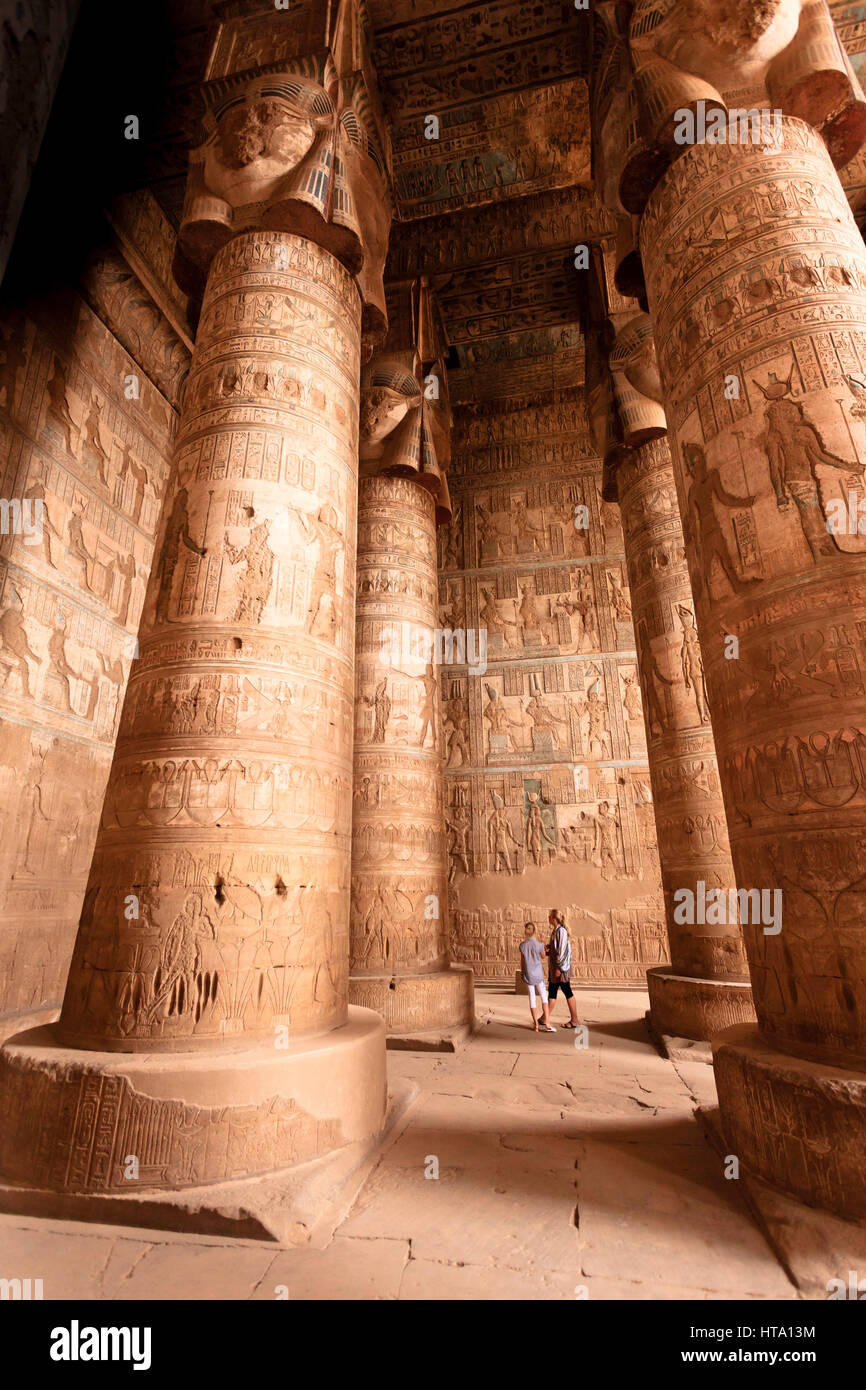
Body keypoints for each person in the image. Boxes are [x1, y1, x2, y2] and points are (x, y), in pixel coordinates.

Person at [519, 923, 556, 1033]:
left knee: (532, 998)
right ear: (535, 931)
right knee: (544, 997)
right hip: (538, 974)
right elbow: (543, 956)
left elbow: (522, 962)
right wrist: (543, 942)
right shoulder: (539, 945)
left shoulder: (522, 945)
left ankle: (535, 1024)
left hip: (528, 974)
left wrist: (523, 973)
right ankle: (548, 1023)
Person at [546, 909, 579, 1028]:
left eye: (550, 916)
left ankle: (574, 1020)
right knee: (552, 991)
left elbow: (563, 951)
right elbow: (556, 948)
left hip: (560, 968)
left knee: (567, 991)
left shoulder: (561, 931)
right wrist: (547, 948)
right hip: (555, 966)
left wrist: (559, 968)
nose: (548, 918)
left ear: (554, 919)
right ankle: (545, 1017)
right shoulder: (555, 931)